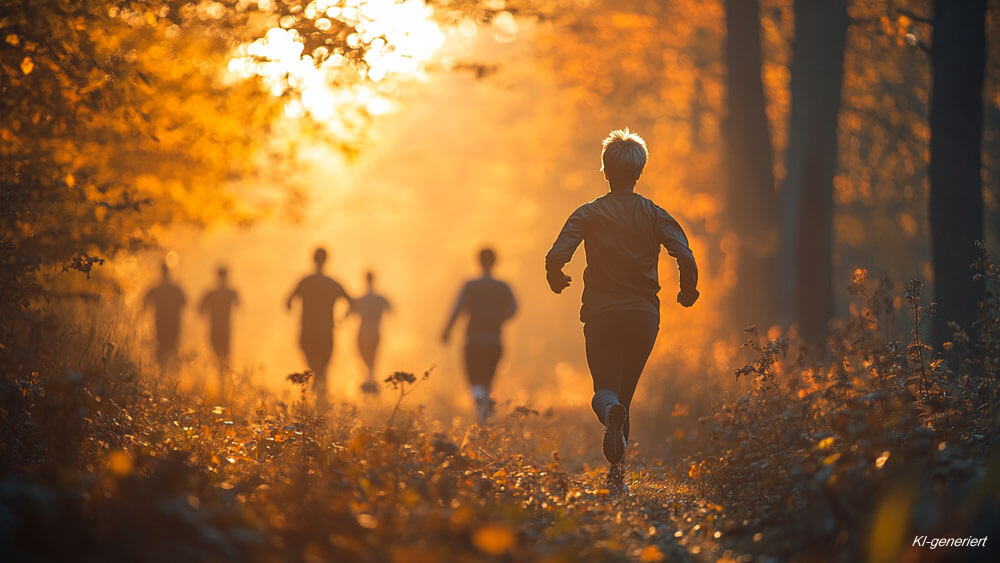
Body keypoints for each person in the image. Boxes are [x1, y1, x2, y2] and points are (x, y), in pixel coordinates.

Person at [544, 128, 699, 477]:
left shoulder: (589, 213)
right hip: (643, 317)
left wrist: (556, 279)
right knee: (625, 395)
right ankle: (619, 476)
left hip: (601, 314)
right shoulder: (655, 214)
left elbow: (557, 255)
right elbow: (685, 255)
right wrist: (687, 291)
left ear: (605, 171)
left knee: (605, 392)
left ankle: (611, 419)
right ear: (639, 172)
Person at [442, 248, 517, 423]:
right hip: (494, 341)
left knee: (474, 379)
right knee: (488, 379)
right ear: (495, 261)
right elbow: (514, 308)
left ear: (478, 261)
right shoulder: (503, 286)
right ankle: (484, 411)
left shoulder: (470, 286)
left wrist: (447, 331)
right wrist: (500, 318)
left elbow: (457, 309)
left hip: (473, 341)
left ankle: (481, 410)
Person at [286, 247, 352, 404]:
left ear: (313, 259)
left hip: (307, 331)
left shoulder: (305, 281)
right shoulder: (332, 283)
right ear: (326, 260)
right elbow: (352, 303)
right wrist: (342, 318)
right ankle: (321, 400)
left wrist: (298, 312)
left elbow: (287, 302)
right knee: (323, 368)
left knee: (314, 367)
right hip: (326, 331)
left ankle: (317, 398)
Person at [346, 270, 392, 395]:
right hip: (375, 332)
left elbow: (348, 313)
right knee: (372, 361)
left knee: (365, 360)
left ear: (365, 280)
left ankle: (368, 385)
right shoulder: (380, 298)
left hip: (363, 332)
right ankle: (370, 384)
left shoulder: (360, 299)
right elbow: (391, 310)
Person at [198, 265, 240, 386]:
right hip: (216, 329)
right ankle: (221, 381)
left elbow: (200, 310)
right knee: (218, 355)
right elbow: (200, 309)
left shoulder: (223, 292)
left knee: (224, 356)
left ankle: (222, 383)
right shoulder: (223, 292)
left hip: (223, 329)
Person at [143, 261, 187, 373]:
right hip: (164, 324)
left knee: (170, 347)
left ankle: (169, 374)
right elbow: (184, 304)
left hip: (170, 324)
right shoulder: (174, 288)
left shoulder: (161, 288)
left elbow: (184, 304)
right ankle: (163, 373)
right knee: (164, 347)